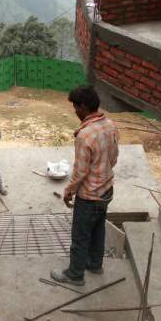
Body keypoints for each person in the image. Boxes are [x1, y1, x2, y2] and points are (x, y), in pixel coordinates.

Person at [51, 85, 119, 286]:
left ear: (83, 106)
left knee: (80, 236)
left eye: (75, 106)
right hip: (107, 190)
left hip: (89, 196)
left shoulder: (85, 135)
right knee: (98, 229)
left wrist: (68, 191)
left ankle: (75, 275)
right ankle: (95, 264)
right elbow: (114, 158)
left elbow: (80, 172)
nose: (74, 111)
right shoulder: (110, 125)